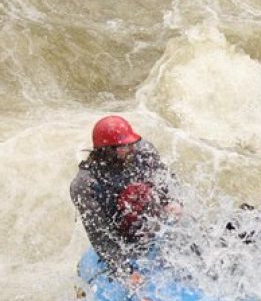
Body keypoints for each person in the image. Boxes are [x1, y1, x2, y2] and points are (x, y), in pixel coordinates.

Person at [70, 116, 180, 273]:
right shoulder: (85, 185)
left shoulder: (143, 151)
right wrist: (125, 271)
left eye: (131, 144)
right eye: (124, 147)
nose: (132, 150)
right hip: (122, 235)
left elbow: (167, 179)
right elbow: (100, 235)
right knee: (132, 195)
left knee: (142, 193)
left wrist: (172, 201)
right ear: (106, 151)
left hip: (153, 223)